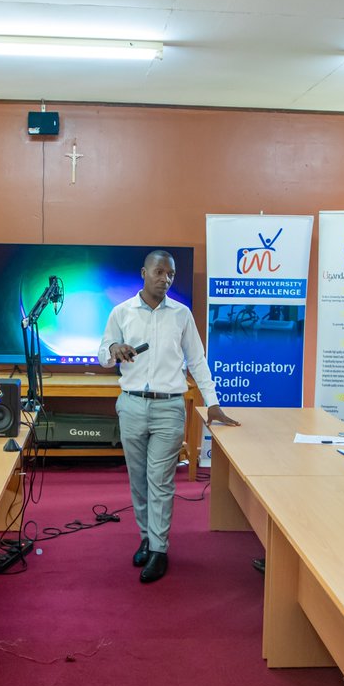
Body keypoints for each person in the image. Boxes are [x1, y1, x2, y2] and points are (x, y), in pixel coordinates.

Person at [98, 250, 239, 583]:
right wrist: (113, 350)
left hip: (169, 408)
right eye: (159, 272)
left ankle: (160, 549)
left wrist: (213, 401)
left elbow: (198, 360)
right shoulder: (121, 312)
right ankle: (146, 537)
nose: (165, 279)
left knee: (160, 480)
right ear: (144, 273)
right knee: (139, 479)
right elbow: (103, 355)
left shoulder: (181, 314)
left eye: (170, 275)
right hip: (131, 404)